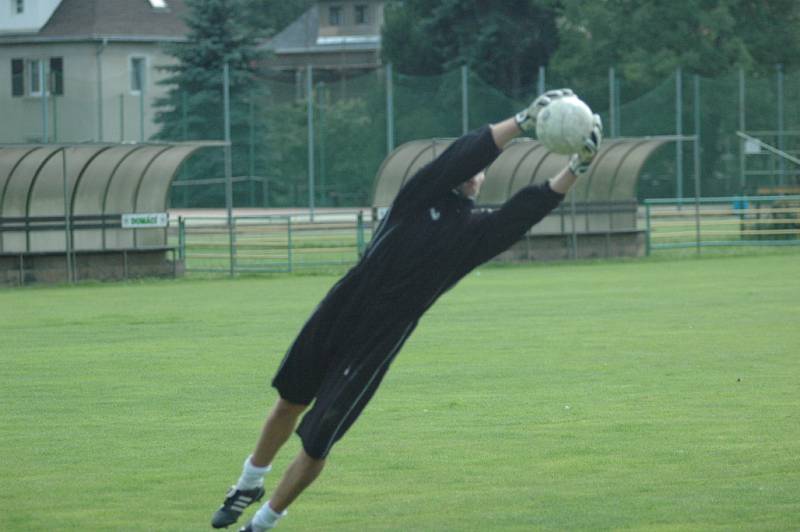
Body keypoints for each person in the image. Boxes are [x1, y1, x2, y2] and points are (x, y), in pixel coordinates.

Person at [210, 89, 602, 531]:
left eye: (481, 171)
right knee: (289, 401)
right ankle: (247, 482)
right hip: (344, 305)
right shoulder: (419, 195)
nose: (475, 171)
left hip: (382, 336)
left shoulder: (475, 235)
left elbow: (524, 211)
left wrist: (576, 166)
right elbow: (463, 155)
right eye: (471, 166)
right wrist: (523, 120)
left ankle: (261, 524)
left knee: (319, 443)